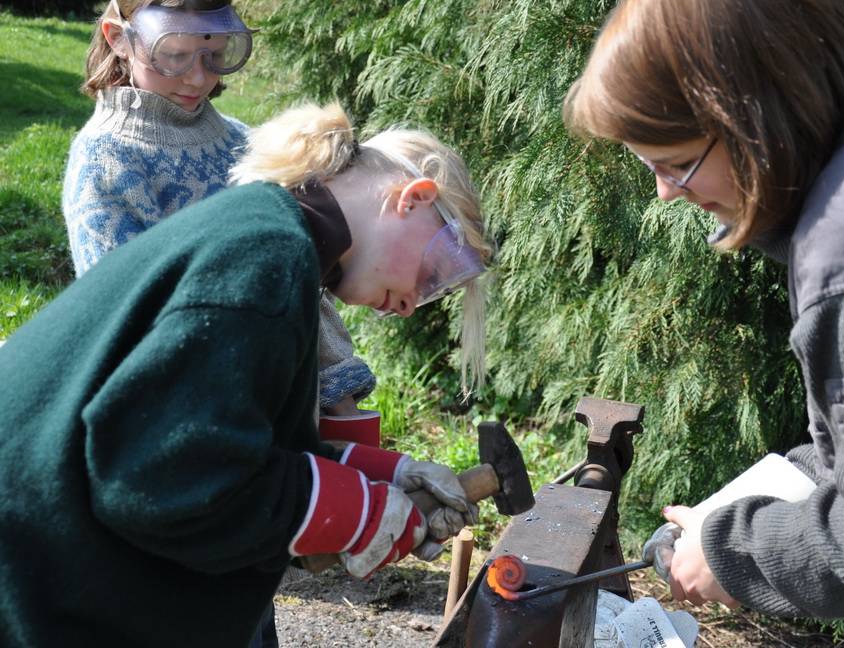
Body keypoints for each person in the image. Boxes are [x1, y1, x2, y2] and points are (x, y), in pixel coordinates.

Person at [563, 0, 844, 645]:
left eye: (679, 164)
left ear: (753, 123)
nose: (665, 193)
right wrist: (775, 493)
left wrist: (734, 554)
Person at [0, 99, 488, 646]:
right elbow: (162, 476)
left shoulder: (273, 236)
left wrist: (377, 475)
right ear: (412, 199)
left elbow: (226, 441)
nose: (411, 305)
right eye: (436, 270)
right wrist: (355, 511)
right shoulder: (268, 255)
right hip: (33, 579)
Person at [61, 0, 378, 644]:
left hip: (261, 434)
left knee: (247, 608)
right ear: (119, 39)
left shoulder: (242, 144)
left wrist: (342, 402)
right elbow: (125, 327)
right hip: (176, 446)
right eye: (173, 56)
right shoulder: (105, 165)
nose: (198, 78)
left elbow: (302, 284)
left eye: (216, 54)